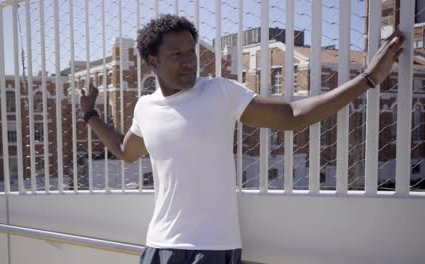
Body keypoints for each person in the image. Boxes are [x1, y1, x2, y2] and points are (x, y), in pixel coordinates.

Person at [80, 14, 404, 264]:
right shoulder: (145, 107)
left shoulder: (220, 92)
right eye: (176, 54)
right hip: (159, 245)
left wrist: (368, 79)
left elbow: (293, 116)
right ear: (152, 61)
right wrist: (90, 114)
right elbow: (125, 151)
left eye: (191, 52)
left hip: (212, 247)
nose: (189, 61)